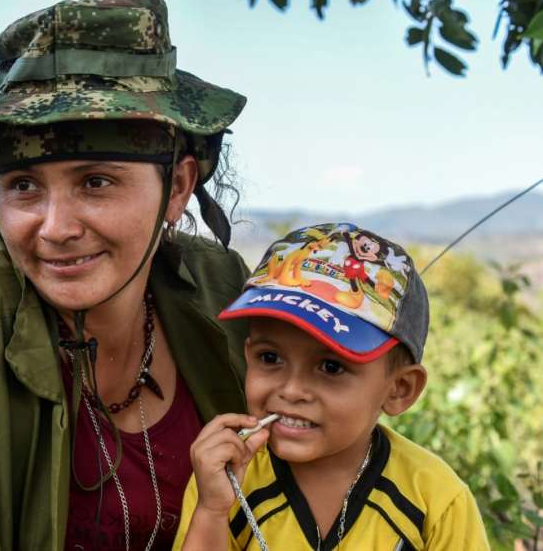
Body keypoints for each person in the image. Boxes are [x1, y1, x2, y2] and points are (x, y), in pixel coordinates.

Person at [0, 0, 252, 549]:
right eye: (23, 186)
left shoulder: (219, 288)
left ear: (178, 187)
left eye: (95, 182)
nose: (55, 228)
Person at [173, 223, 490, 550]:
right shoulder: (224, 483)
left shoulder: (436, 501)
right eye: (270, 358)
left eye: (331, 367)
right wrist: (212, 512)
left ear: (400, 389)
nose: (292, 390)